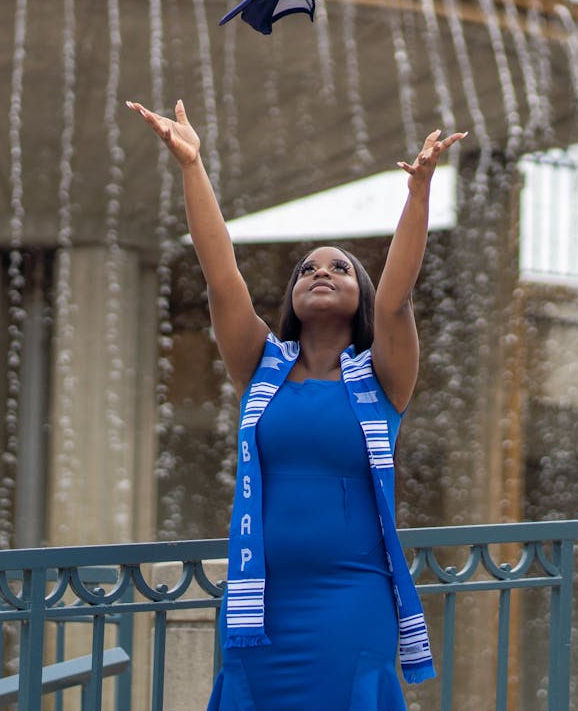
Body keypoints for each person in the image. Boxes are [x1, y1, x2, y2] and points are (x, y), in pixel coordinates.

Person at [127, 98, 465, 710]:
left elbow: (397, 298)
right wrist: (192, 166)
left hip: (351, 601)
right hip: (260, 601)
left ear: (358, 292)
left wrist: (418, 193)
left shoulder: (384, 377)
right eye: (307, 268)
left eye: (340, 267)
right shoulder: (261, 368)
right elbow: (221, 273)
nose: (320, 272)